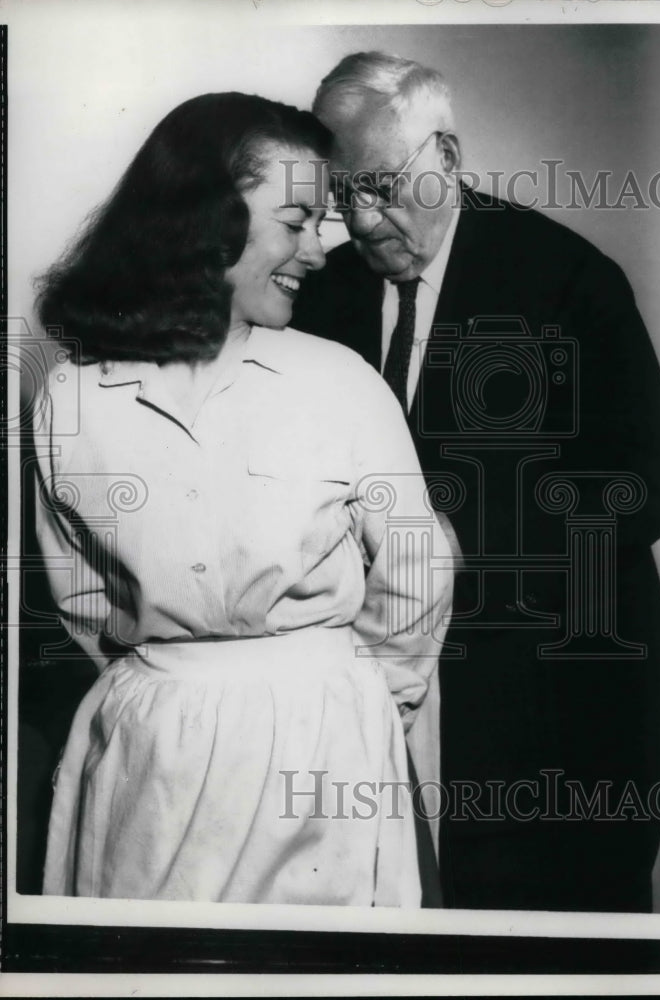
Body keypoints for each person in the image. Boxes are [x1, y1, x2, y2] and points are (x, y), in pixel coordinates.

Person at [32, 92, 453, 905]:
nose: (320, 249)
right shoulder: (70, 398)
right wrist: (181, 684)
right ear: (202, 220)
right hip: (150, 753)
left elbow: (415, 572)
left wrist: (352, 702)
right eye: (295, 221)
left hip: (325, 748)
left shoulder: (338, 383)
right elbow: (79, 597)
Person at [292, 52, 660, 912]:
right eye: (339, 194)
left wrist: (460, 545)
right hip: (382, 702)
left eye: (382, 185)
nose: (359, 218)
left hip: (551, 702)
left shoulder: (569, 279)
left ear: (449, 158)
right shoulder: (318, 302)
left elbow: (646, 479)